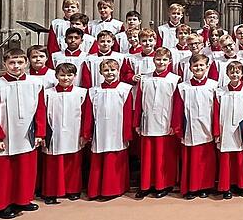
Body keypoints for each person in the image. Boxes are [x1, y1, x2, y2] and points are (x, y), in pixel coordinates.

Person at [0, 49, 47, 218]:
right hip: (5, 135)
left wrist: (40, 133)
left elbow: (40, 110)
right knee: (4, 172)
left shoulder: (36, 83)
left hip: (27, 134)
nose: (16, 66)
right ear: (4, 64)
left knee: (25, 170)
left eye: (20, 62)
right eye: (12, 63)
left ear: (26, 63)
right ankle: (1, 205)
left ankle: (22, 200)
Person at [83, 58, 134, 201]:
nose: (109, 73)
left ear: (118, 71)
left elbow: (128, 113)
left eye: (113, 70)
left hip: (117, 129)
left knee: (115, 158)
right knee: (99, 158)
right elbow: (88, 114)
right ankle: (96, 189)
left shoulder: (125, 89)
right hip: (100, 130)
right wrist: (87, 132)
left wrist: (127, 133)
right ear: (100, 72)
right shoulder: (94, 91)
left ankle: (115, 189)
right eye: (106, 70)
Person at [134, 47, 181, 199]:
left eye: (164, 60)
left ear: (170, 61)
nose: (161, 62)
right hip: (148, 121)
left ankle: (164, 184)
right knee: (147, 157)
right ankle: (146, 185)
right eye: (158, 59)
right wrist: (136, 122)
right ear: (153, 60)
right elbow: (138, 102)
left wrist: (175, 125)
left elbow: (178, 105)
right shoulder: (144, 79)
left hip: (166, 122)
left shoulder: (174, 80)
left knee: (164, 156)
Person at [172, 54, 220, 200]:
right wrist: (178, 128)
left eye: (201, 65)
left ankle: (205, 186)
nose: (198, 68)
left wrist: (216, 130)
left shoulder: (214, 85)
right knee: (190, 159)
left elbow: (217, 109)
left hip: (207, 127)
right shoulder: (183, 87)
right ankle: (191, 187)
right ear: (190, 68)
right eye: (195, 66)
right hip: (190, 129)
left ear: (207, 67)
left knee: (206, 160)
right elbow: (178, 109)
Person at [41, 63, 88, 204]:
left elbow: (85, 115)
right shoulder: (47, 93)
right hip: (54, 131)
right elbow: (42, 114)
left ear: (75, 76)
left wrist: (84, 134)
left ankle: (72, 190)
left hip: (74, 131)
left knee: (72, 162)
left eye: (69, 75)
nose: (66, 78)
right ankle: (51, 192)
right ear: (56, 76)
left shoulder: (81, 92)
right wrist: (42, 134)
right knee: (53, 163)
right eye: (62, 75)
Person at [216, 62, 243, 198]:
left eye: (237, 72)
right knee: (226, 159)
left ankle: (242, 186)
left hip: (241, 130)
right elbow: (215, 113)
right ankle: (226, 187)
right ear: (227, 74)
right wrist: (216, 131)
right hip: (224, 128)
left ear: (242, 74)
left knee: (241, 158)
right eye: (232, 72)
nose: (234, 75)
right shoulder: (220, 92)